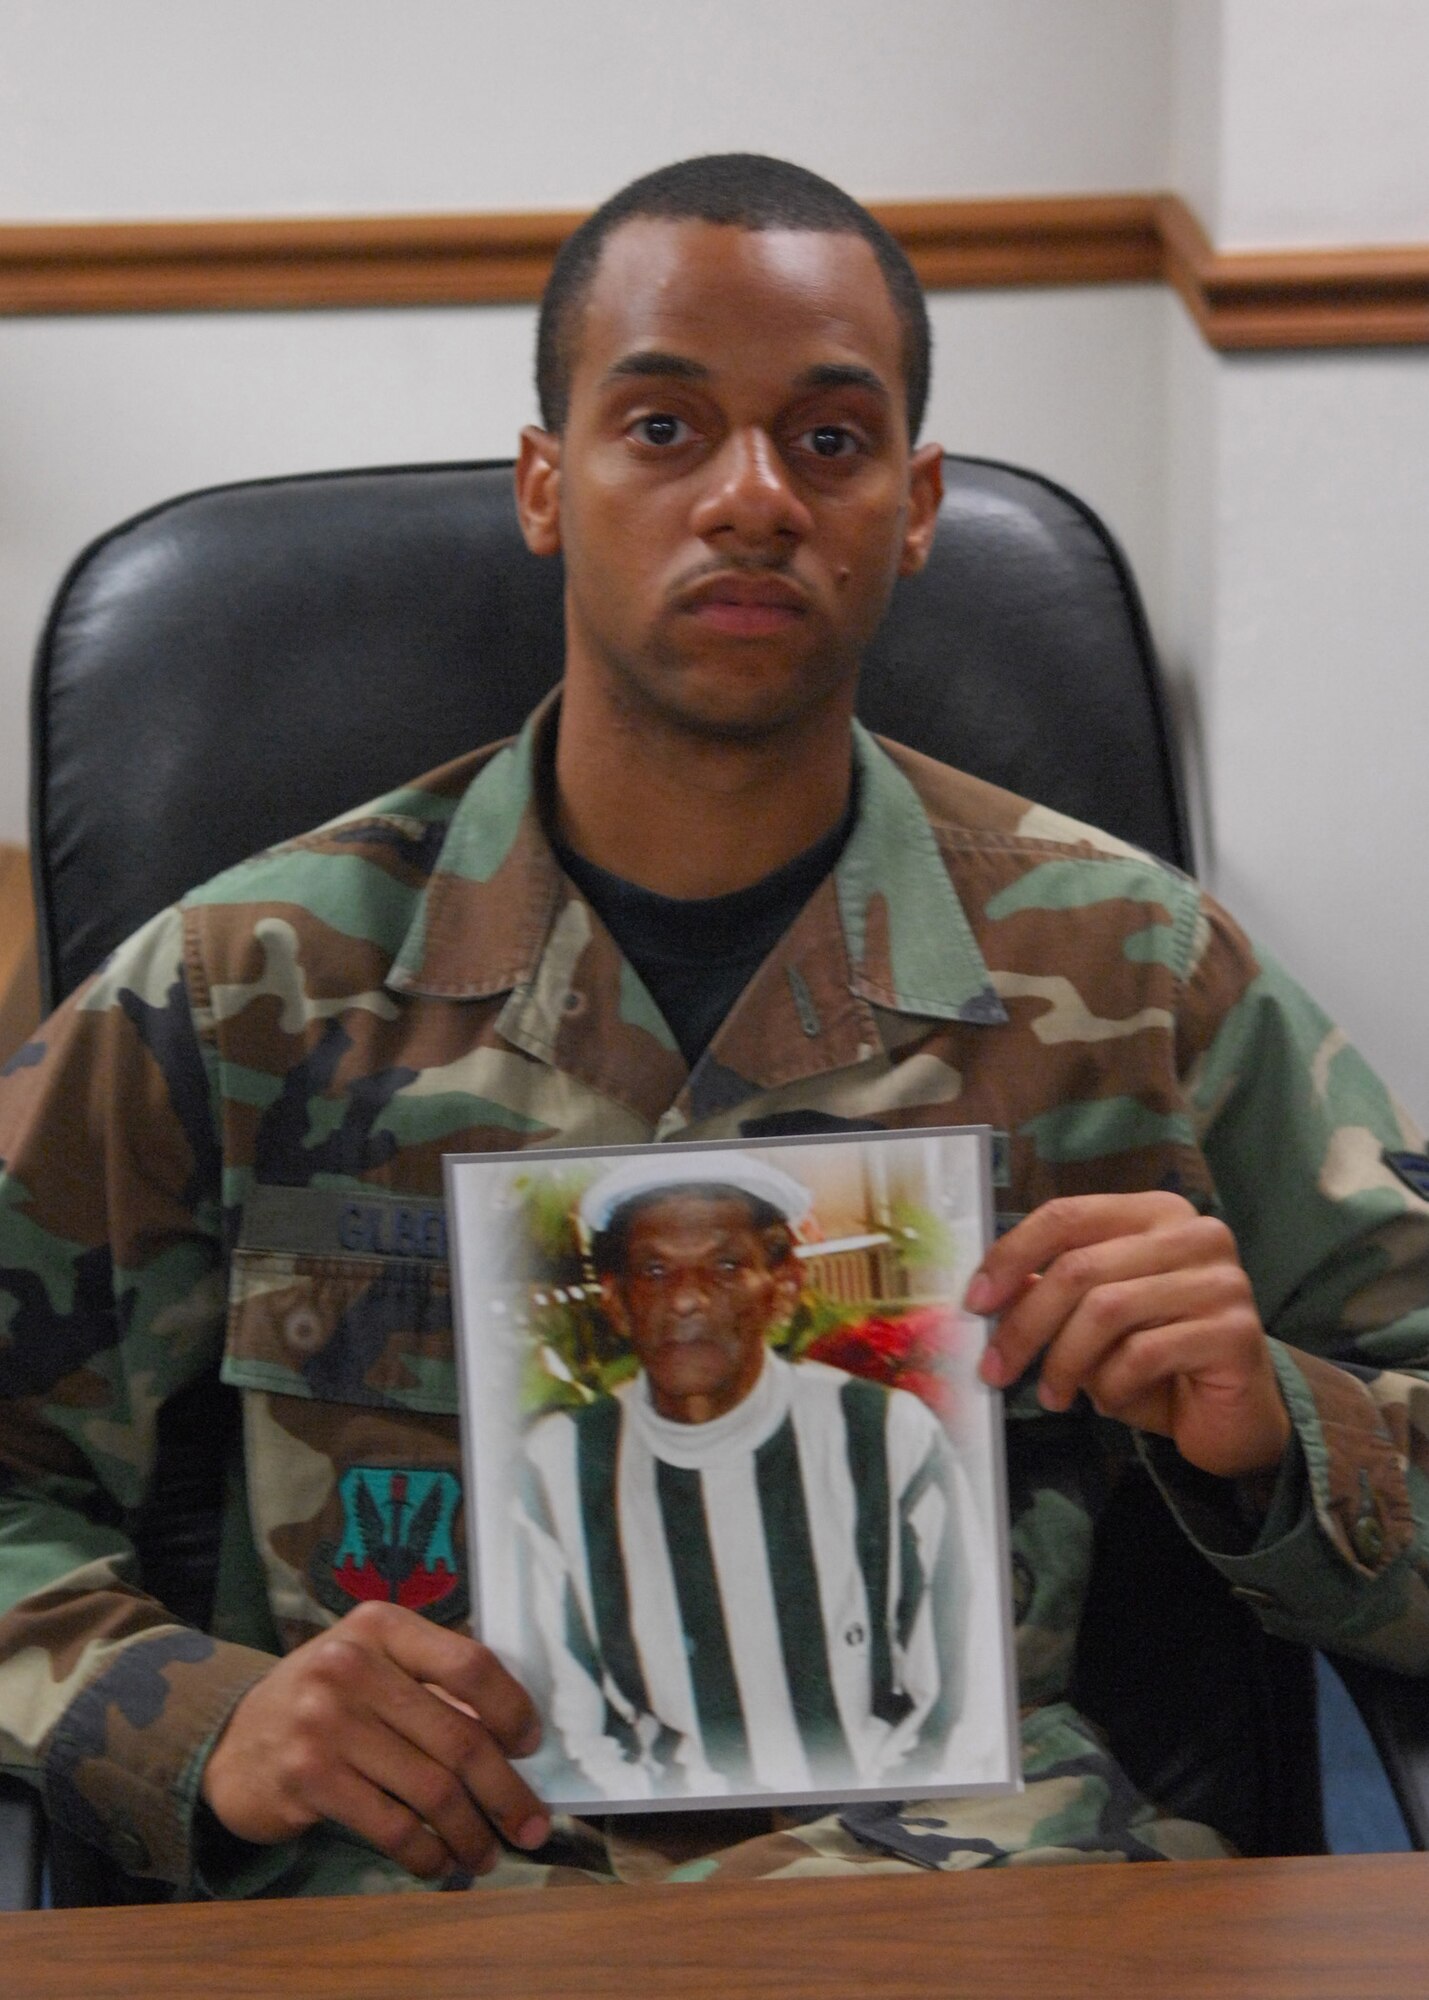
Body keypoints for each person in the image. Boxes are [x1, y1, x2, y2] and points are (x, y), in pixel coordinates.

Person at [1, 150, 1428, 1899]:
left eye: (825, 442)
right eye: (662, 428)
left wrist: (1277, 1427)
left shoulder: (1128, 976)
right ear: (545, 485)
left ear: (911, 507)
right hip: (437, 1919)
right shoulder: (247, 990)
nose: (749, 496)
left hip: (978, 1917)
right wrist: (186, 1717)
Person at [515, 1153, 967, 1802]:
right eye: (653, 1270)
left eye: (726, 1266)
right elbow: (562, 1735)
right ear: (615, 1301)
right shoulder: (556, 1466)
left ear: (781, 1287)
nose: (688, 1297)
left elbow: (954, 1697)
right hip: (659, 1858)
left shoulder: (884, 1432)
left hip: (881, 1837)